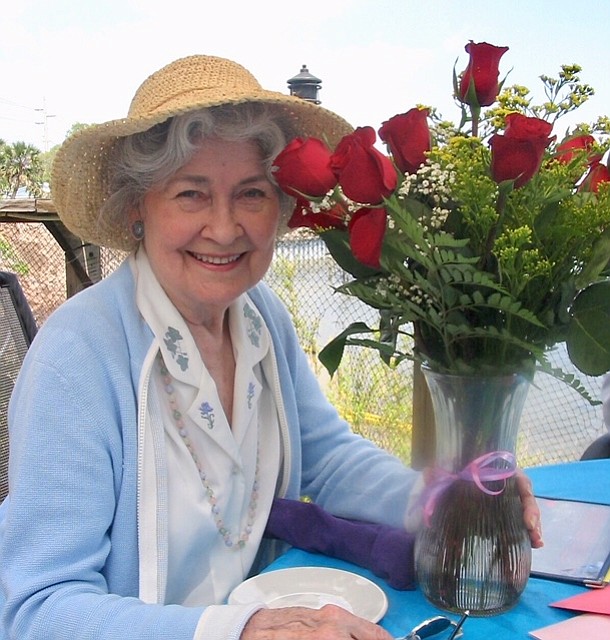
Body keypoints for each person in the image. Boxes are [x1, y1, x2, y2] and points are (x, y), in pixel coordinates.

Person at [0, 55, 542, 640]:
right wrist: (240, 631)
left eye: (252, 194)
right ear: (138, 206)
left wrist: (446, 495)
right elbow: (38, 607)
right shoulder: (79, 358)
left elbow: (329, 458)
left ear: (281, 208)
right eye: (191, 194)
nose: (226, 227)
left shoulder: (260, 317)